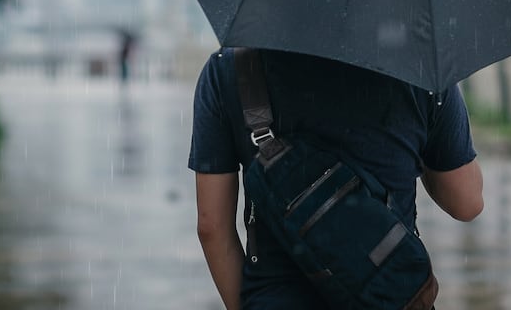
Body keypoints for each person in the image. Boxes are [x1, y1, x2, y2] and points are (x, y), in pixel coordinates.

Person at [190, 47, 484, 309]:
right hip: (389, 293)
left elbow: (212, 227)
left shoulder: (231, 67)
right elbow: (466, 201)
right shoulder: (421, 67)